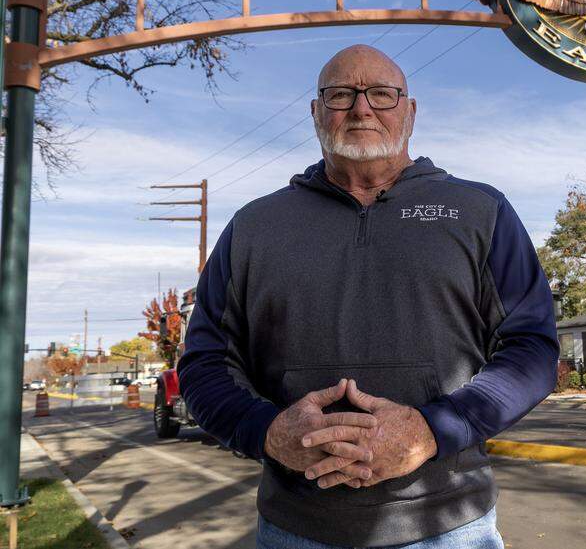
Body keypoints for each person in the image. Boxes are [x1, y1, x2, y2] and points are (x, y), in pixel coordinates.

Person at [177, 44, 558, 549]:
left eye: (382, 93)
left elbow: (532, 348)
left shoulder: (480, 211)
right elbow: (203, 363)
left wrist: (431, 429)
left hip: (451, 528)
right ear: (315, 112)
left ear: (411, 110)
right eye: (340, 95)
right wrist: (268, 432)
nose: (362, 108)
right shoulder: (253, 227)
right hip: (294, 529)